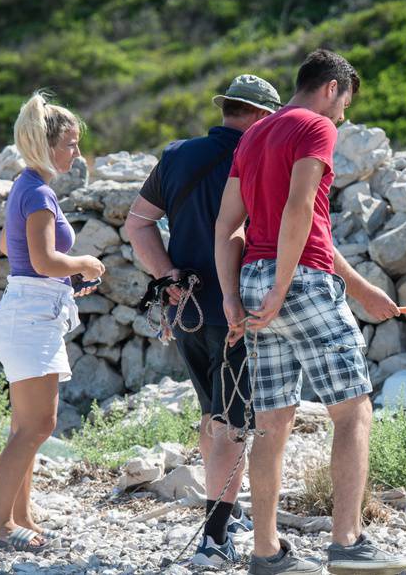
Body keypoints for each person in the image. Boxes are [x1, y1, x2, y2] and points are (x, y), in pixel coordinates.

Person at [213, 51, 406, 575]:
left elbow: (230, 225)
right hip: (295, 281)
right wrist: (283, 285)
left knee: (272, 423)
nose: (343, 116)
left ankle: (266, 553)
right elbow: (301, 208)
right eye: (345, 103)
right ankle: (347, 544)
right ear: (331, 88)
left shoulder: (254, 135)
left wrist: (235, 297)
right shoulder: (315, 127)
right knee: (353, 410)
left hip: (254, 284)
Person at [124, 73, 282, 565]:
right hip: (239, 311)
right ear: (259, 115)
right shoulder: (259, 158)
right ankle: (215, 539)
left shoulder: (176, 156)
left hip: (186, 307)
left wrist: (168, 273)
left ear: (227, 108)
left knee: (213, 416)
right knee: (235, 426)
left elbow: (137, 224)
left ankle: (225, 510)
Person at [0, 91, 103, 553]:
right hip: (30, 318)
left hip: (29, 311)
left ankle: (19, 517)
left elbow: (4, 248)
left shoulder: (25, 186)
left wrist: (61, 281)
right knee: (38, 427)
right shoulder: (39, 192)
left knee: (25, 427)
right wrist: (83, 264)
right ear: (47, 145)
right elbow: (44, 259)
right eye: (71, 145)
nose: (77, 153)